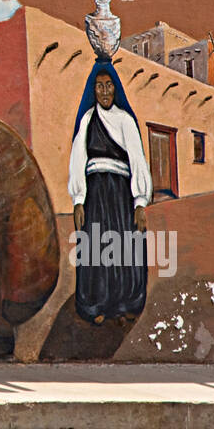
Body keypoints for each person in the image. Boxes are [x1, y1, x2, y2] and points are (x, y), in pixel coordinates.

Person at [68, 62, 151, 325]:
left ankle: (127, 303)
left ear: (115, 89)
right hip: (95, 194)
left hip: (120, 195)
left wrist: (139, 201)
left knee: (125, 244)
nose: (104, 91)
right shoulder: (87, 119)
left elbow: (137, 159)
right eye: (99, 86)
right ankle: (97, 305)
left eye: (109, 85)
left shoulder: (126, 120)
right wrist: (79, 199)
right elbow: (78, 159)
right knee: (96, 246)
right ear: (93, 90)